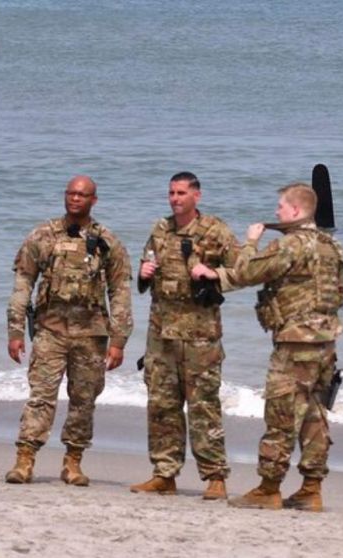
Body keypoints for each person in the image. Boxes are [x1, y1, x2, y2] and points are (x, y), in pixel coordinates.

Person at [192, 182, 343, 511]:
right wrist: (216, 275)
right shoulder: (332, 247)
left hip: (294, 343)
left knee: (281, 414)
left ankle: (269, 487)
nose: (276, 211)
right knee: (315, 417)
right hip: (326, 341)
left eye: (280, 207)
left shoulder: (289, 245)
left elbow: (248, 272)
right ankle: (312, 488)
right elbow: (340, 293)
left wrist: (250, 241)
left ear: (294, 211)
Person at [5, 175, 133, 486]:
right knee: (41, 397)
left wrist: (119, 340)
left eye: (82, 194)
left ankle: (73, 462)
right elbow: (24, 282)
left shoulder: (107, 242)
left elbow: (120, 292)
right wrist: (15, 329)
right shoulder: (43, 235)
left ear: (94, 200)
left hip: (91, 335)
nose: (75, 199)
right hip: (50, 331)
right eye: (71, 193)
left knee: (84, 400)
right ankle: (25, 460)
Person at [130, 172, 238, 500]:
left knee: (203, 405)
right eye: (171, 193)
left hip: (200, 336)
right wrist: (143, 274)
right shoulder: (160, 229)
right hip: (162, 334)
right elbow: (146, 266)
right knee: (161, 405)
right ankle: (165, 474)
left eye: (181, 193)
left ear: (196, 196)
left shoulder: (215, 231)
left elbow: (243, 269)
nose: (175, 199)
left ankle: (215, 476)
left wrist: (213, 273)